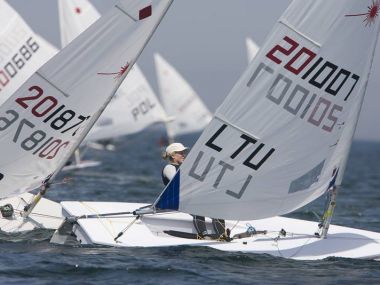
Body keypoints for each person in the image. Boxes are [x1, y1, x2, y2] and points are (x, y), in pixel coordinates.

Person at [162, 143, 229, 241]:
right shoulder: (169, 168)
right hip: (176, 201)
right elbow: (178, 184)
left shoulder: (185, 168)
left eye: (183, 152)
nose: (183, 155)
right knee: (197, 210)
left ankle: (222, 235)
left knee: (216, 211)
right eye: (180, 153)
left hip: (188, 199)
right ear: (173, 155)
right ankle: (203, 235)